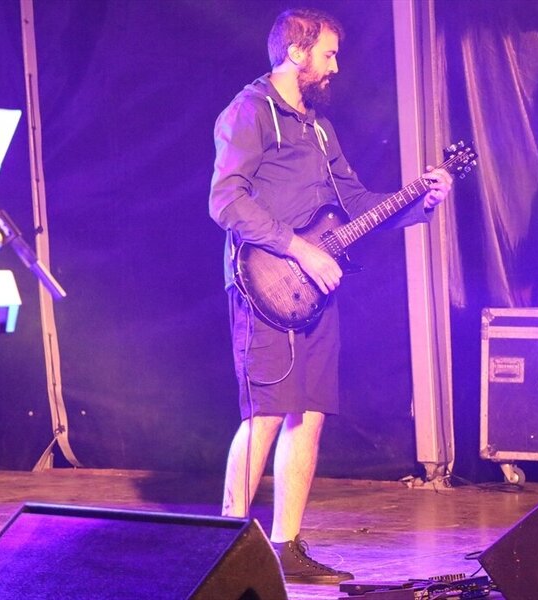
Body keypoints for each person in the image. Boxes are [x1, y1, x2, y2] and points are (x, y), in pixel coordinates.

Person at [209, 7, 453, 585]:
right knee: (266, 415)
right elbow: (226, 200)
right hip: (264, 282)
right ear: (296, 52)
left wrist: (419, 201)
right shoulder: (249, 111)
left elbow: (357, 203)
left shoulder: (319, 127)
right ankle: (220, 551)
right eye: (328, 54)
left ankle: (286, 545)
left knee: (310, 414)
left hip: (314, 289)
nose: (335, 66)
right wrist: (299, 248)